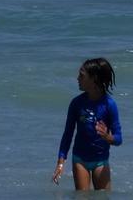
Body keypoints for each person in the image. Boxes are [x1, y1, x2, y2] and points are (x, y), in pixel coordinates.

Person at [52, 57, 121, 190]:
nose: (77, 78)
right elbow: (68, 134)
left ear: (94, 78)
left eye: (82, 75)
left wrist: (108, 137)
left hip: (101, 160)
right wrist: (60, 162)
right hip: (80, 160)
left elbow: (119, 139)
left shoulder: (109, 105)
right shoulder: (76, 103)